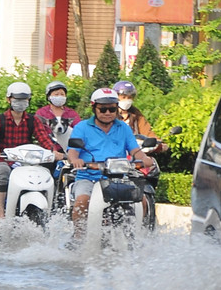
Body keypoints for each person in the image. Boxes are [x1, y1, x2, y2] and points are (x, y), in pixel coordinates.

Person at [66, 87, 156, 232]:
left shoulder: (124, 128)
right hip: (89, 177)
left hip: (119, 178)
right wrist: (76, 160)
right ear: (94, 108)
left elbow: (135, 150)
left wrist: (145, 158)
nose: (108, 113)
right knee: (82, 201)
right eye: (103, 109)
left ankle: (138, 236)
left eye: (112, 109)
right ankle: (79, 236)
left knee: (141, 201)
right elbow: (72, 152)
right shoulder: (82, 127)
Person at [0, 80, 61, 221]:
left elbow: (44, 139)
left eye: (24, 99)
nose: (21, 102)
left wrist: (54, 151)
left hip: (24, 162)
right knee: (2, 173)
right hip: (4, 160)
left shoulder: (33, 120)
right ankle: (2, 214)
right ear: (9, 99)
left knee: (45, 175)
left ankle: (50, 214)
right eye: (17, 99)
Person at [113, 80, 168, 153]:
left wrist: (158, 142)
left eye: (130, 98)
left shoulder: (136, 114)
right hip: (115, 155)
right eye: (124, 97)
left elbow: (147, 131)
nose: (127, 100)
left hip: (136, 154)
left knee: (150, 163)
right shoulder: (110, 115)